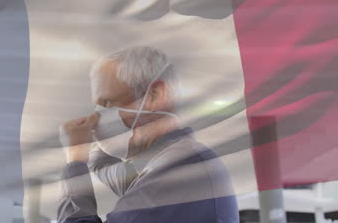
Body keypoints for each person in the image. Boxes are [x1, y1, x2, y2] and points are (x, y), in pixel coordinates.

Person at [57, 46, 239, 223]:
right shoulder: (167, 163)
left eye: (107, 102)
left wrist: (75, 161)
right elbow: (103, 166)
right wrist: (92, 135)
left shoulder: (177, 173)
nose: (96, 116)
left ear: (154, 95)